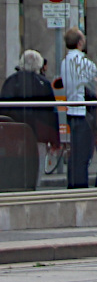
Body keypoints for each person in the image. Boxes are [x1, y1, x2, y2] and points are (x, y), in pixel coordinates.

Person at [3, 50, 57, 188]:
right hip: (37, 135)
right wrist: (55, 140)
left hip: (12, 134)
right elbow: (51, 114)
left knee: (13, 165)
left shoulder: (10, 81)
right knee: (35, 168)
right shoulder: (43, 84)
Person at [60, 29, 97, 189]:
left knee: (75, 152)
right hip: (84, 110)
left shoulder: (64, 62)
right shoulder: (85, 63)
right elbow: (95, 83)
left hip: (71, 109)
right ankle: (80, 185)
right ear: (80, 42)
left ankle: (73, 184)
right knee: (83, 153)